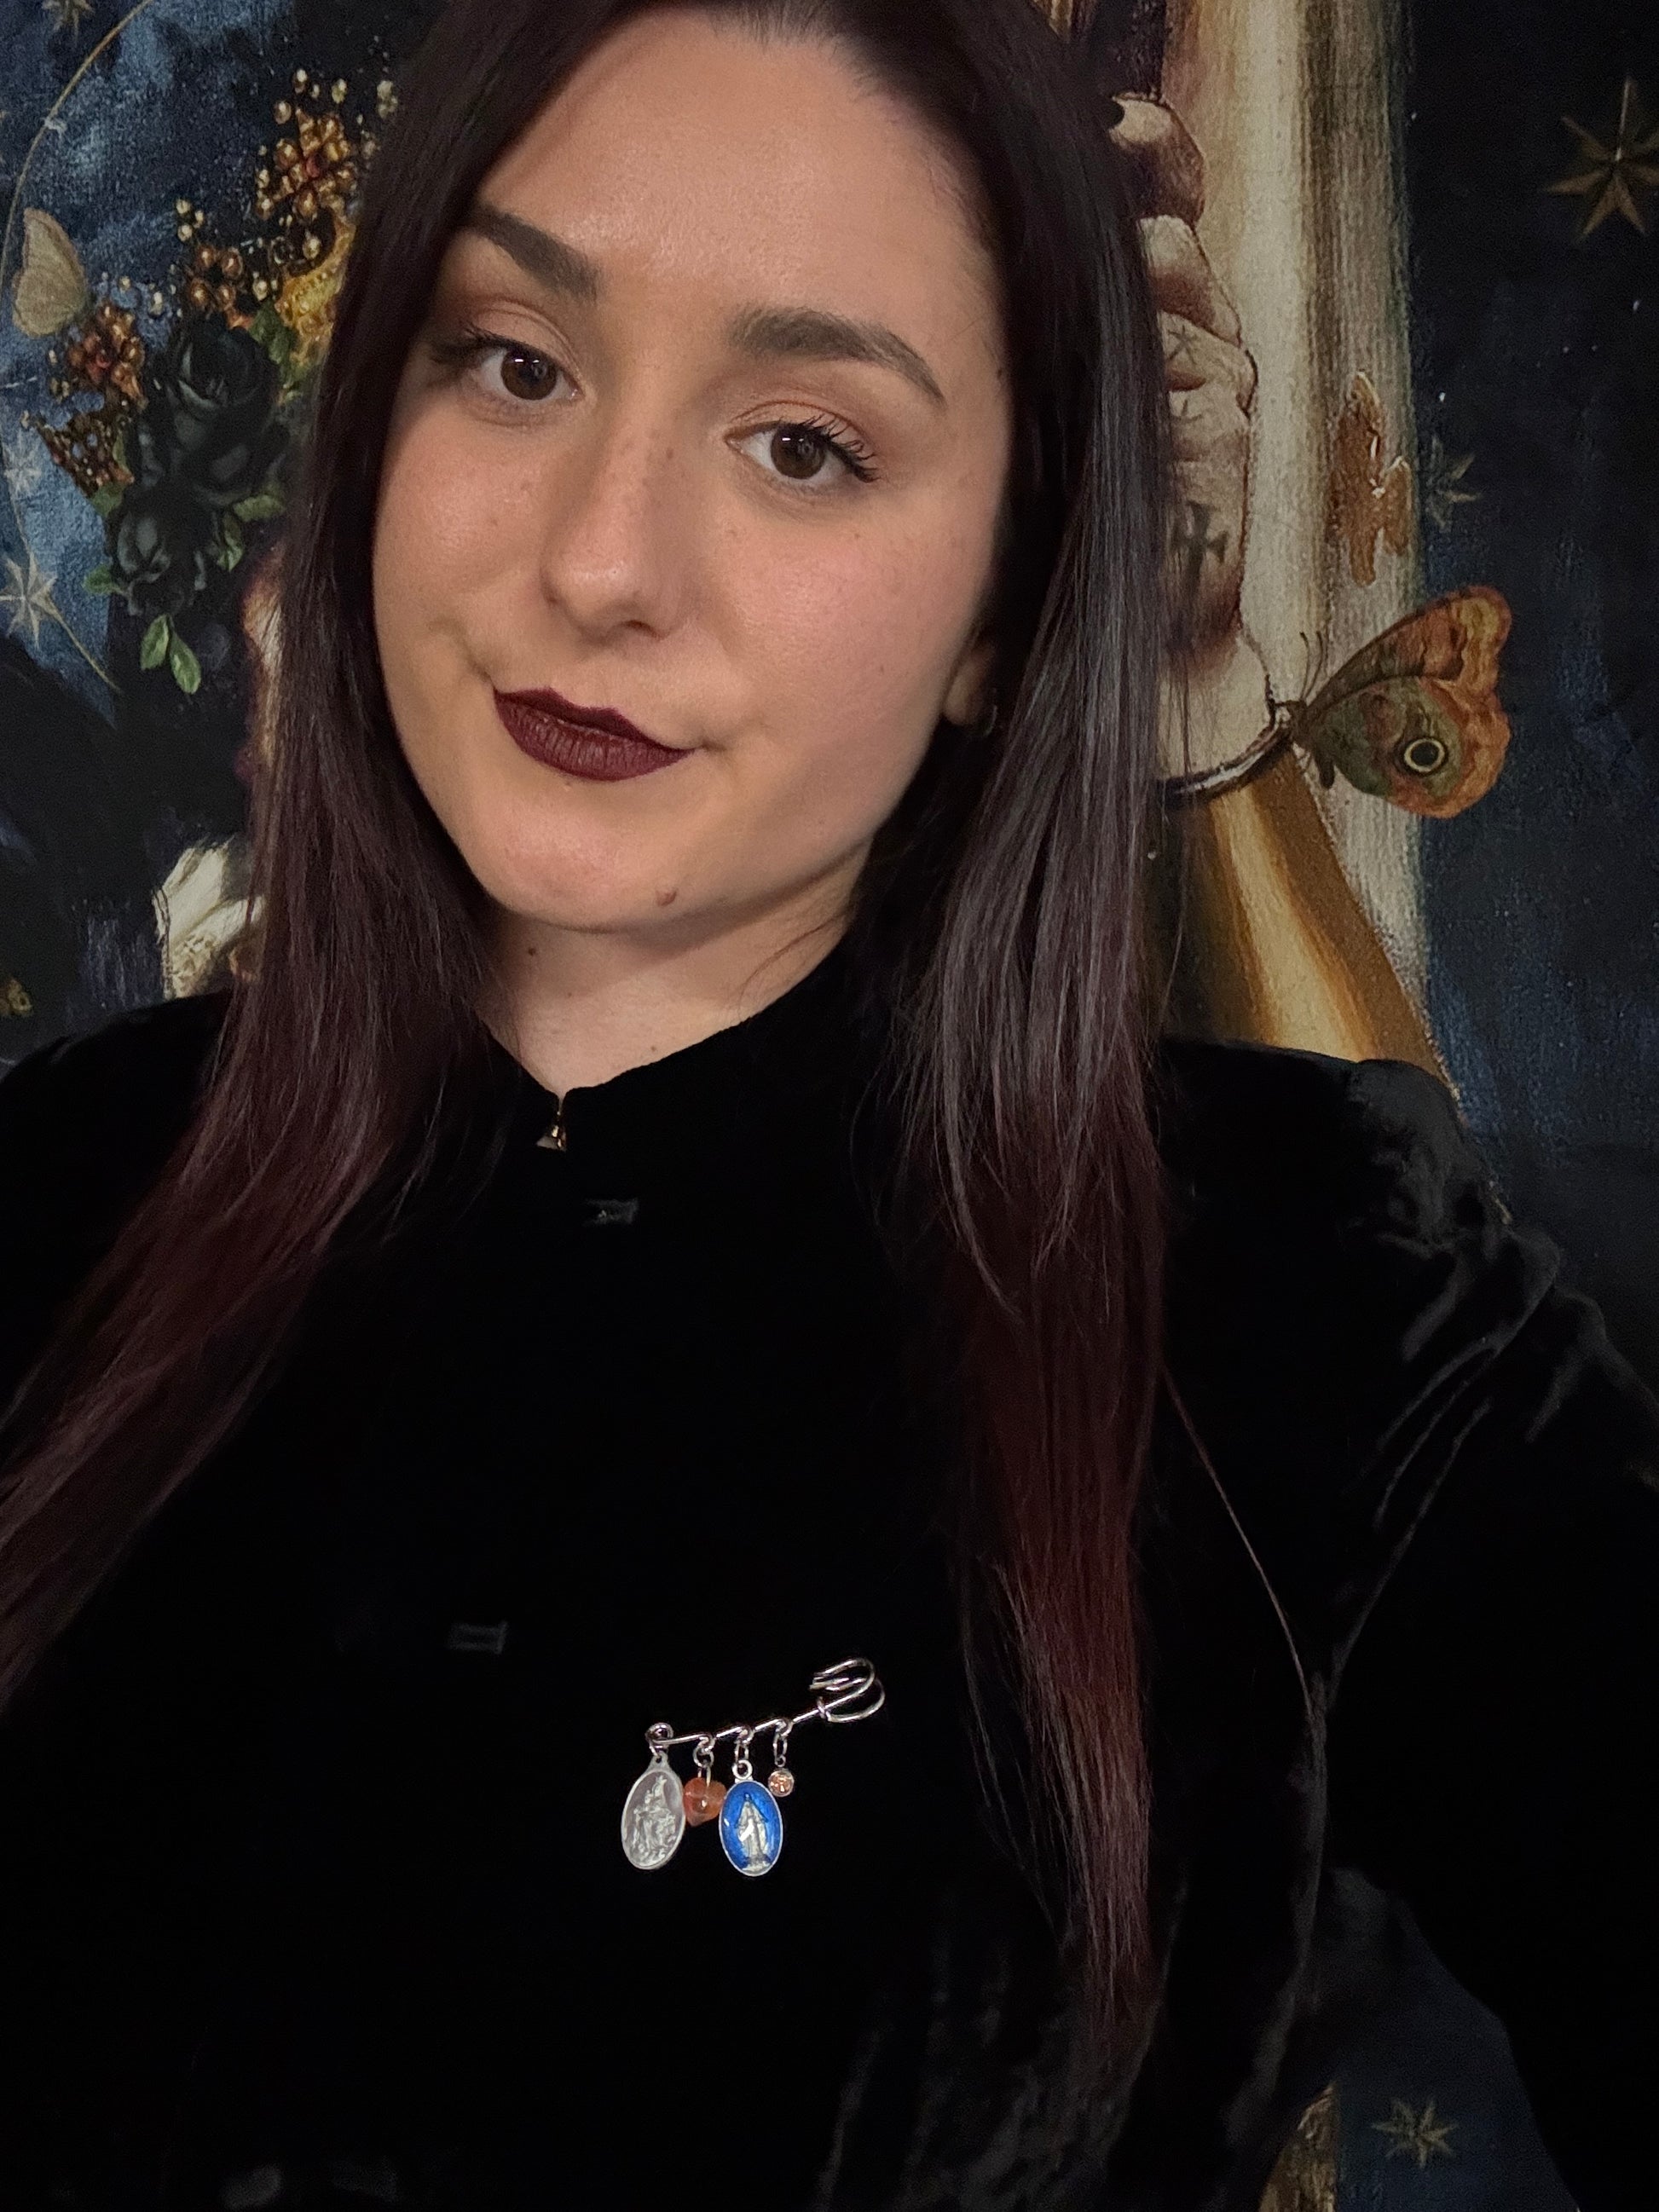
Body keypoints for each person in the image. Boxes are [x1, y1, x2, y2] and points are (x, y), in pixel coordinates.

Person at [0, 2, 1653, 2207]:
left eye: (803, 443)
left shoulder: (1326, 1303)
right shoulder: (50, 1202)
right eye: (516, 362)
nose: (601, 563)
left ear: (1006, 606)